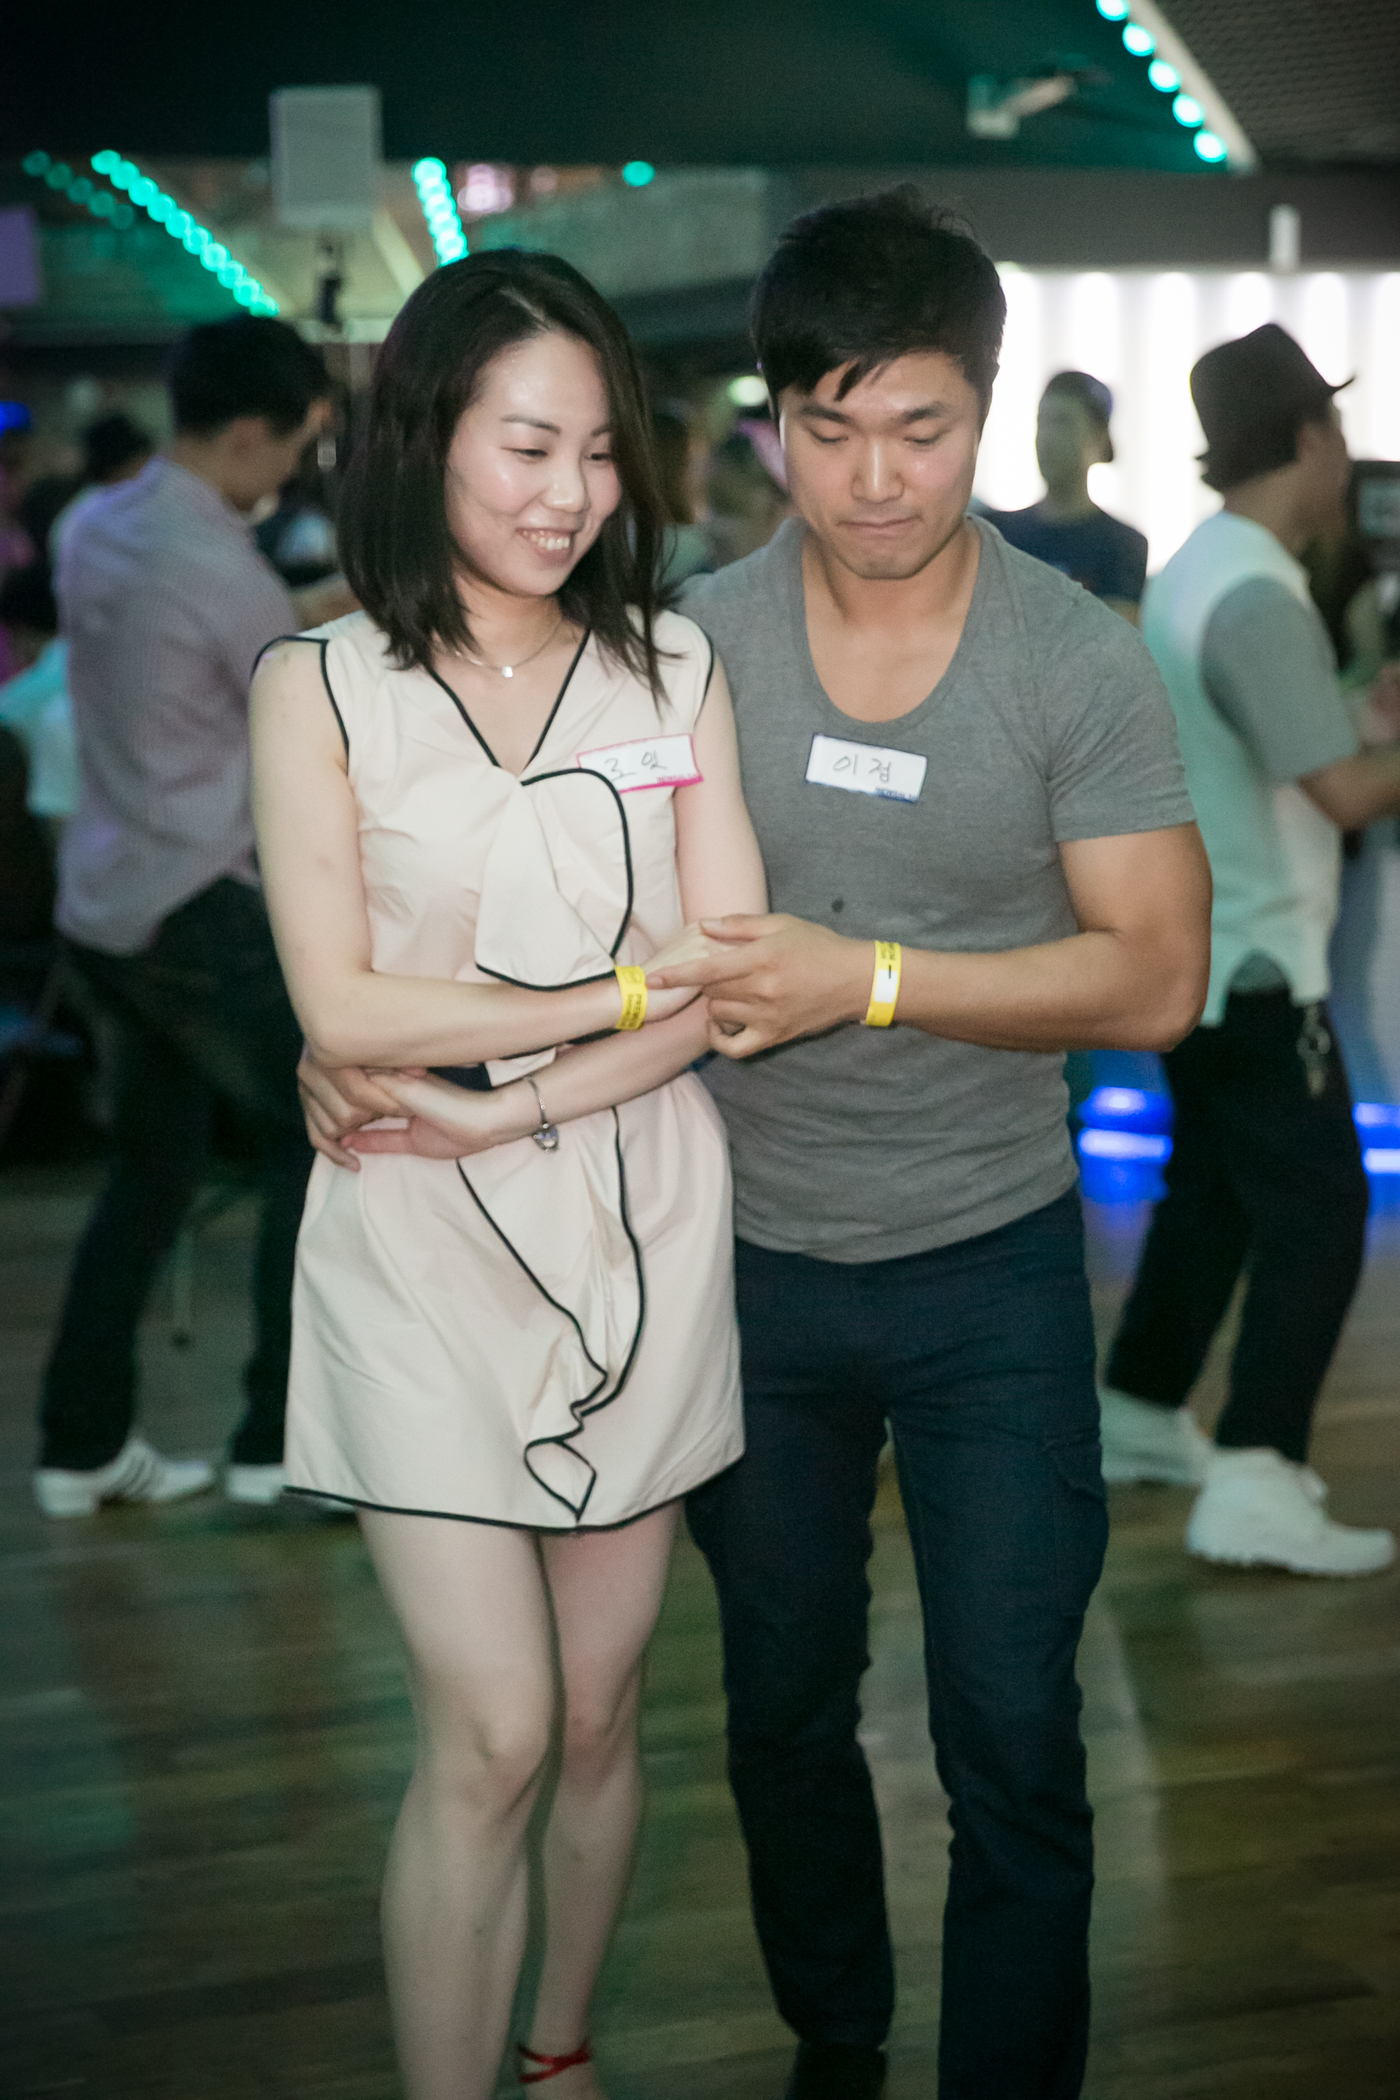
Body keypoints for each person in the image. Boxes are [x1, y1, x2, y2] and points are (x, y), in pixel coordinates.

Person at [634, 189, 1210, 2100]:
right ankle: (839, 2040)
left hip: (992, 1271)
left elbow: (1156, 980)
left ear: (988, 409)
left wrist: (866, 978)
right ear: (771, 421)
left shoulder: (1071, 659)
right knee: (784, 1710)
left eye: (922, 427)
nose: (877, 480)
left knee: (1012, 1733)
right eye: (831, 428)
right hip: (751, 1265)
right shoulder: (690, 650)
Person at [252, 251, 765, 2100]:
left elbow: (732, 984)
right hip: (409, 1220)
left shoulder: (672, 666)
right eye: (528, 447)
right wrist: (617, 994)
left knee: (603, 1713)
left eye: (602, 452)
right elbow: (341, 1003)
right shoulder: (317, 683)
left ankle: (558, 2055)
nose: (571, 495)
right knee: (494, 1728)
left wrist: (514, 1097)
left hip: (633, 1209)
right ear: (427, 439)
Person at [33, 315, 349, 1520]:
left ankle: (80, 1444)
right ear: (251, 432)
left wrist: (316, 598)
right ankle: (278, 1441)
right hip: (196, 901)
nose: (293, 471)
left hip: (102, 898)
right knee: (318, 1139)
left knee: (150, 1175)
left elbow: (234, 641)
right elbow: (288, 686)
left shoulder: (93, 522)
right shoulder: (218, 565)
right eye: (298, 445)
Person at [1097, 324, 1400, 1577]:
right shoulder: (1257, 592)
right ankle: (1257, 1475)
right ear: (1313, 439)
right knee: (1322, 1213)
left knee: (1212, 1194)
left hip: (1204, 953)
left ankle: (1136, 1407)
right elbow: (1340, 792)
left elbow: (1284, 742)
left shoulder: (1201, 567)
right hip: (1260, 962)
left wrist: (1360, 712)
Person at [989, 370, 1148, 620]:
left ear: (1098, 438)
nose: (1047, 438)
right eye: (1042, 422)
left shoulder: (1122, 546)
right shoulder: (997, 534)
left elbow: (1112, 636)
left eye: (1063, 423)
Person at [49, 412, 155, 563]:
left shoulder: (81, 510)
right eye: (144, 462)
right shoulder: (98, 513)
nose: (148, 470)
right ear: (125, 463)